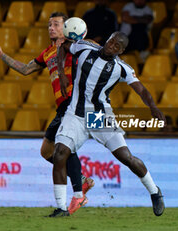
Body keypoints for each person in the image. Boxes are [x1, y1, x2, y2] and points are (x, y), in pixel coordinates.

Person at [0, 12, 94, 215]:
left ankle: (78, 194)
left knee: (64, 145)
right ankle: (81, 181)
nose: (51, 28)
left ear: (68, 27)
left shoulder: (76, 46)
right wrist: (1, 55)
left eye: (56, 24)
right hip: (62, 106)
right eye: (49, 25)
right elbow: (26, 69)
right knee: (47, 151)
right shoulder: (48, 52)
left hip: (75, 103)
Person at [49, 31, 165, 217]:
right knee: (59, 153)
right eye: (111, 42)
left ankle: (155, 192)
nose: (112, 47)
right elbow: (63, 47)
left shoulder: (121, 68)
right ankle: (62, 208)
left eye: (117, 47)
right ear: (108, 39)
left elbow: (141, 90)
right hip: (75, 114)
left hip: (99, 117)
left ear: (121, 51)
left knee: (126, 157)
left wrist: (153, 106)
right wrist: (62, 74)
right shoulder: (85, 47)